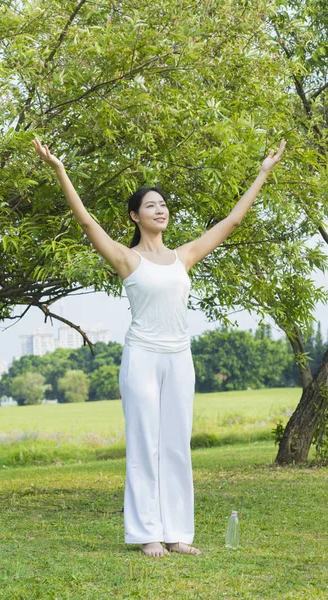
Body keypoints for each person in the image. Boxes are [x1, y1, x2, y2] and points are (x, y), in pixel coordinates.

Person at [32, 137, 286, 557]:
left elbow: (232, 222)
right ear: (135, 216)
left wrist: (262, 172)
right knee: (145, 442)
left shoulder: (184, 256)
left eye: (164, 204)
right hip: (143, 358)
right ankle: (147, 533)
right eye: (151, 205)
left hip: (179, 358)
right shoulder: (126, 258)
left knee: (174, 445)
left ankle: (177, 534)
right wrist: (60, 169)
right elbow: (87, 223)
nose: (161, 209)